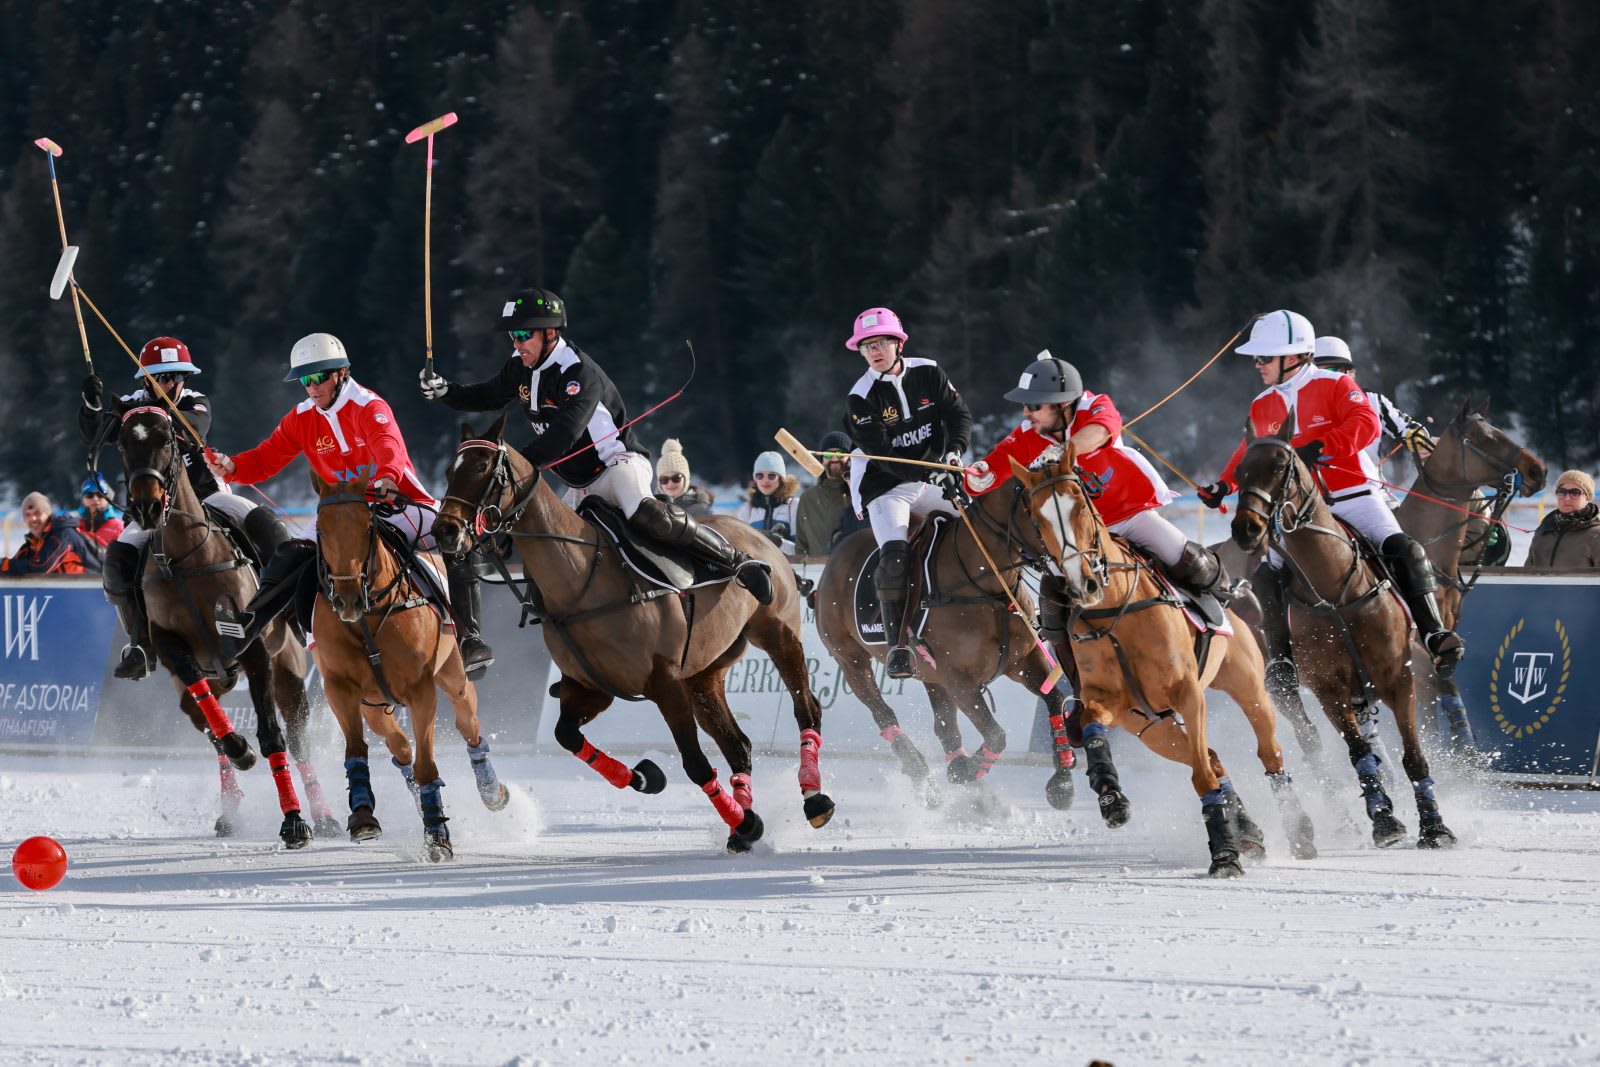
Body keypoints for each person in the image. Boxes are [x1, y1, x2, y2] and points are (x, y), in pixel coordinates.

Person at [418, 288, 772, 621]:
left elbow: (565, 432)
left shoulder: (578, 372)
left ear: (550, 334)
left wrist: (518, 466)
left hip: (617, 465)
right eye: (512, 336)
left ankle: (737, 561)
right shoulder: (520, 365)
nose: (516, 343)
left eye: (523, 335)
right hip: (578, 482)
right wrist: (447, 391)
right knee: (548, 546)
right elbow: (490, 396)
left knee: (648, 515)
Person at [1197, 309, 1465, 680]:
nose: (1257, 365)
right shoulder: (1263, 404)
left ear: (1291, 357)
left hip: (1353, 495)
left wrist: (1323, 446)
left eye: (1263, 357)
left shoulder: (1335, 384)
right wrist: (1225, 485)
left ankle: (1435, 633)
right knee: (1266, 572)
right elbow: (1250, 452)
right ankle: (1282, 660)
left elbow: (1366, 425)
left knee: (1404, 548)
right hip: (1297, 511)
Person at [204, 333, 454, 663]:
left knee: (453, 537)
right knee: (291, 554)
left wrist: (387, 477)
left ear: (341, 373)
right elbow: (267, 458)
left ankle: (469, 634)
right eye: (305, 380)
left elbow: (387, 446)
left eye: (319, 377)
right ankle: (250, 627)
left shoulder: (368, 406)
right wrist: (233, 466)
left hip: (397, 504)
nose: (312, 387)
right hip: (341, 516)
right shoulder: (301, 418)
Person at [991, 351, 1231, 659]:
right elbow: (995, 464)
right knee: (1051, 601)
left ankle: (1228, 610)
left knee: (1189, 560)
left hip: (1130, 515)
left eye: (1034, 405)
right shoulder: (1027, 434)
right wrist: (978, 476)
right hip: (1078, 536)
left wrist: (1065, 451)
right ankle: (1077, 688)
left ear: (1062, 405)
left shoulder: (1095, 405)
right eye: (1024, 404)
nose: (1026, 412)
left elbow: (1103, 429)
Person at [80, 336, 281, 679]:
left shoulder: (195, 401)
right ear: (146, 379)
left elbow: (193, 425)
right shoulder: (130, 405)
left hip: (208, 496)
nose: (171, 383)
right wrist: (93, 406)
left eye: (177, 376)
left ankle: (281, 610)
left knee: (268, 528)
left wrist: (137, 415)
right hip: (153, 508)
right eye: (163, 376)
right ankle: (140, 641)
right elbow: (95, 435)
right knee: (117, 561)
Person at [841, 306, 971, 679]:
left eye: (881, 342)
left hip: (933, 478)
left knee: (980, 526)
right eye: (866, 347)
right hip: (884, 487)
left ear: (899, 342)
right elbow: (884, 457)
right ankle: (898, 645)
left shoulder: (929, 371)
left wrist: (955, 453)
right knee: (895, 557)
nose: (874, 351)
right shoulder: (860, 397)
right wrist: (935, 471)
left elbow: (959, 415)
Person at [1313, 336, 1434, 474]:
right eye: (1329, 371)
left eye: (1334, 371)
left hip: (1370, 488)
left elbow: (1406, 427)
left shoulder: (1372, 401)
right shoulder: (1299, 405)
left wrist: (1418, 437)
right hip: (1316, 491)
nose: (1337, 377)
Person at [2, 493, 100, 576]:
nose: (33, 519)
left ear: (48, 514)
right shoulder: (34, 542)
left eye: (37, 513)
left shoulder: (62, 534)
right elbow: (17, 564)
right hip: (66, 591)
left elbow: (40, 568)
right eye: (28, 514)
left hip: (90, 589)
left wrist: (6, 565)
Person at [794, 430, 854, 556]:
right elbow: (801, 544)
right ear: (822, 459)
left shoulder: (858, 494)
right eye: (828, 455)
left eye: (841, 454)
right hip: (816, 572)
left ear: (850, 457)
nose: (834, 459)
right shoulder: (807, 498)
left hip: (852, 569)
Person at [1525, 471, 1599, 568]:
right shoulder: (1544, 530)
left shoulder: (1596, 534)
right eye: (1562, 492)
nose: (1567, 498)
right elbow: (1527, 575)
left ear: (1587, 498)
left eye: (1575, 493)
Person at [737, 451, 800, 555]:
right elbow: (738, 548)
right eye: (760, 475)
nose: (765, 480)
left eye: (771, 476)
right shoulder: (747, 509)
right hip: (756, 569)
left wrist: (778, 541)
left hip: (786, 569)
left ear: (781, 478)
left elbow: (800, 552)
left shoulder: (793, 506)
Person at [654, 438, 713, 516]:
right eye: (664, 479)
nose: (670, 483)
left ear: (686, 479)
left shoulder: (701, 511)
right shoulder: (652, 510)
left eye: (676, 478)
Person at [77, 473, 125, 547]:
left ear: (108, 499)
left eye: (100, 494)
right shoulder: (76, 527)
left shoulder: (119, 528)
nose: (95, 499)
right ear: (83, 500)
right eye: (89, 495)